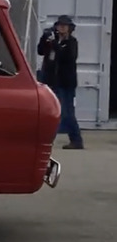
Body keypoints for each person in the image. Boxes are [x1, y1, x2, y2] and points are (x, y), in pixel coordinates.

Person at [37, 15, 83, 149]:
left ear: (69, 28)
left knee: (67, 112)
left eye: (65, 25)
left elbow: (67, 57)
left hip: (66, 83)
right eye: (59, 25)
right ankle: (47, 139)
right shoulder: (53, 40)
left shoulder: (72, 42)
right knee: (51, 112)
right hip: (51, 81)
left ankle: (76, 140)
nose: (61, 27)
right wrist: (44, 38)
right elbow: (40, 51)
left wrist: (54, 43)